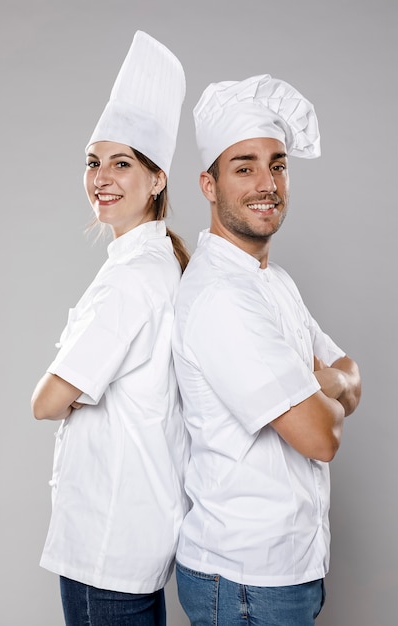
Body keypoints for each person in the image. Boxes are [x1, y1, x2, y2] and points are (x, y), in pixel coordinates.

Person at [171, 73, 361, 625]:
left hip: (286, 569)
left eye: (277, 164)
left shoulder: (272, 281)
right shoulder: (221, 298)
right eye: (244, 166)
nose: (266, 183)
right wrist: (327, 387)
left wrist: (322, 384)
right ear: (208, 185)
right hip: (244, 579)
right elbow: (321, 436)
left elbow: (351, 373)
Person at [31, 31, 190, 626]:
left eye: (122, 162)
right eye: (93, 161)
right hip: (132, 534)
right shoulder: (155, 265)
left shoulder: (132, 280)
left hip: (107, 543)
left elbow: (47, 401)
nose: (101, 175)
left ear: (156, 181)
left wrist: (60, 392)